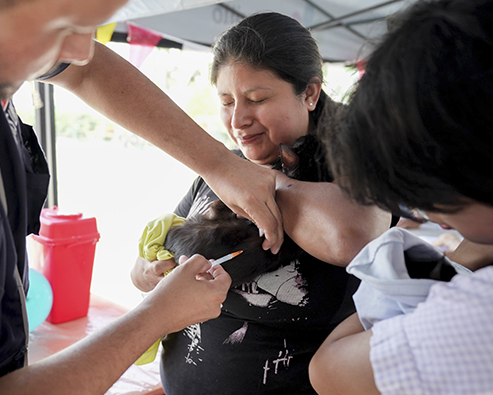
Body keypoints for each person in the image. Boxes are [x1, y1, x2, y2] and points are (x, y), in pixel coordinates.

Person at [0, 0, 317, 393]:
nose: (80, 51)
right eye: (63, 23)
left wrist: (218, 163)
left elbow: (87, 69)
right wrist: (156, 316)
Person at [130, 12, 391, 394]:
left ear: (310, 93)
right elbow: (145, 269)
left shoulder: (353, 171)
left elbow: (352, 236)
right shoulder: (217, 170)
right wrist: (151, 273)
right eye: (226, 101)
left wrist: (266, 181)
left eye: (257, 99)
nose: (238, 119)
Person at [307, 0, 493, 393]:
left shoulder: (477, 314)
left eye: (257, 98)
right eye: (226, 101)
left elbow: (328, 372)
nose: (438, 219)